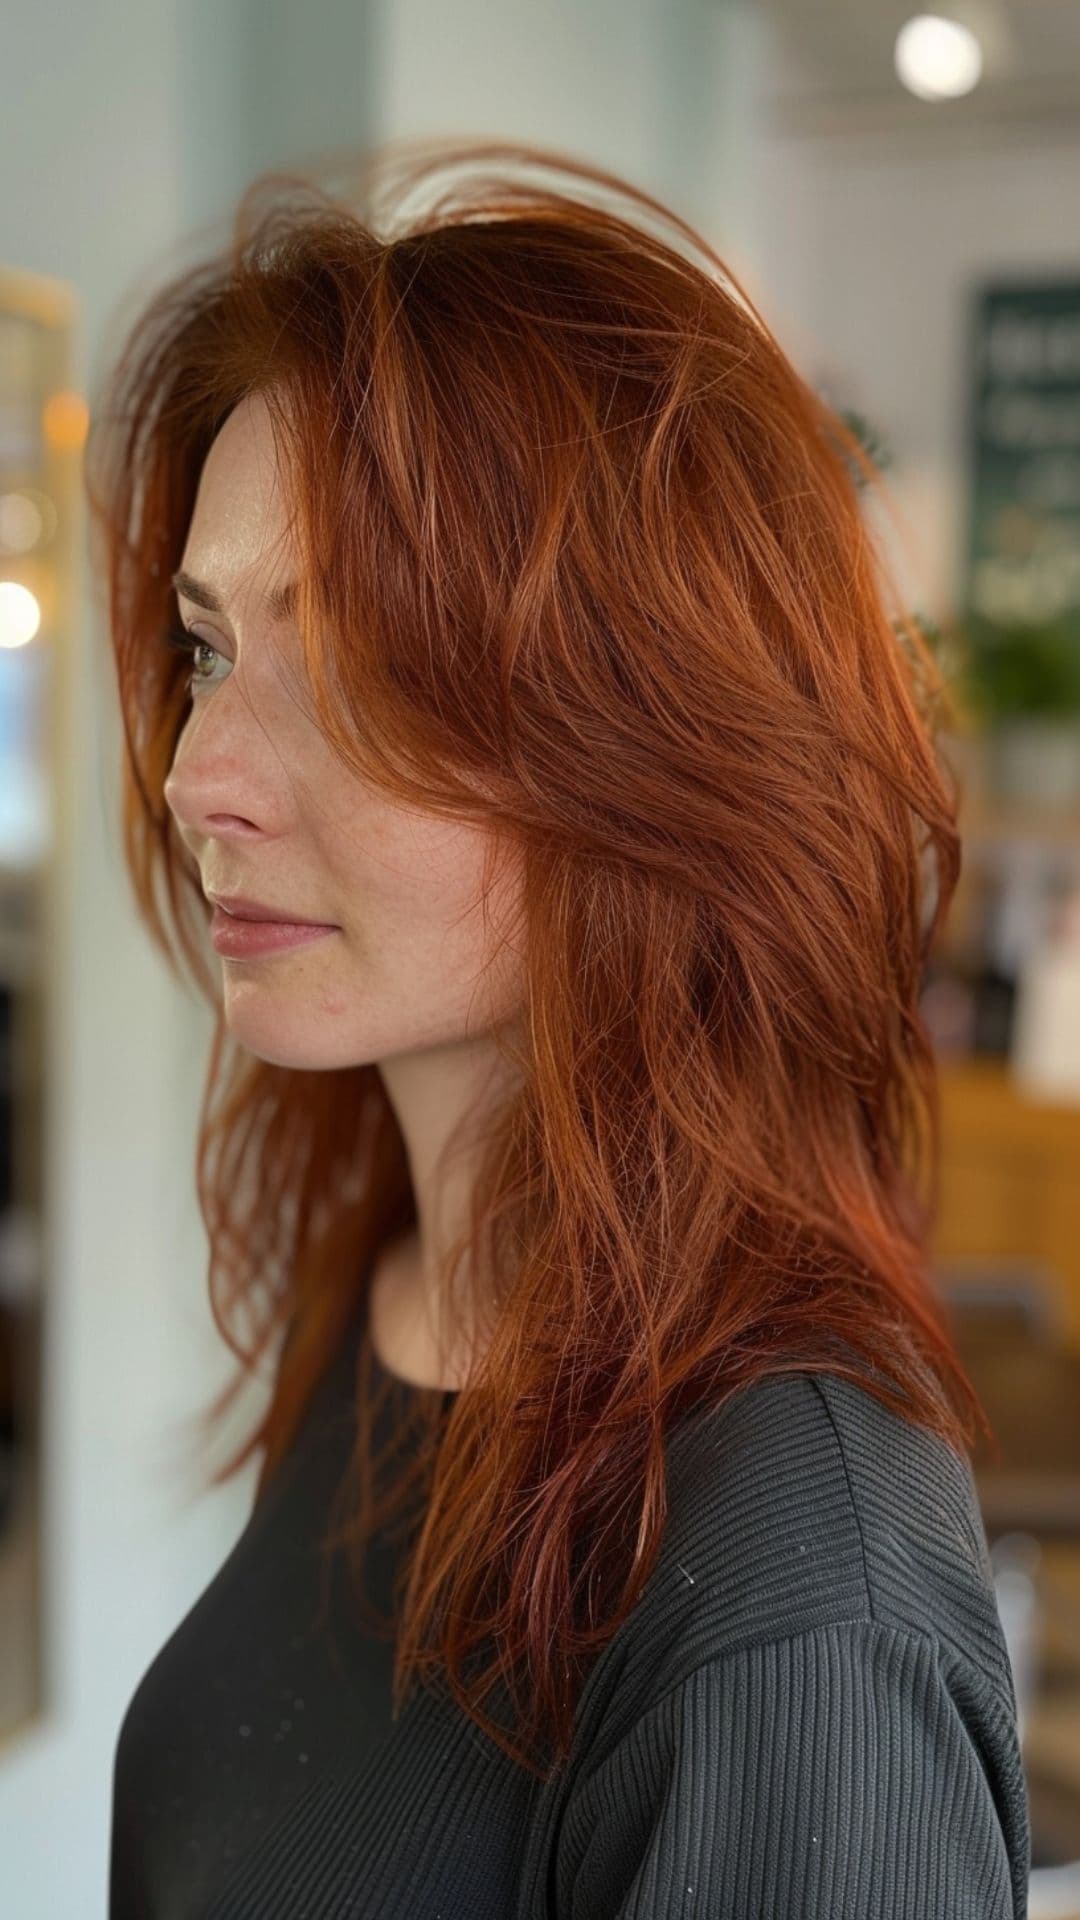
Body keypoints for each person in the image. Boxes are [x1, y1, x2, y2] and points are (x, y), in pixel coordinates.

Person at [86, 136, 1031, 1918]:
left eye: (356, 667)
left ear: (656, 741)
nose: (201, 775)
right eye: (209, 649)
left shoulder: (793, 1597)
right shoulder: (395, 1291)